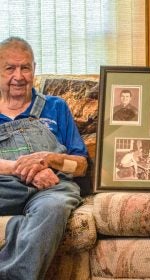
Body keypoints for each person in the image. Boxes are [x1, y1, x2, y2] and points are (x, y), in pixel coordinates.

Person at [0, 37, 88, 279]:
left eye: (25, 67)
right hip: (6, 185)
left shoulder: (55, 107)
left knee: (54, 208)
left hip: (51, 188)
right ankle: (21, 228)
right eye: (10, 68)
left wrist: (49, 159)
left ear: (34, 70)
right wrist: (29, 169)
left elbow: (80, 165)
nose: (19, 76)